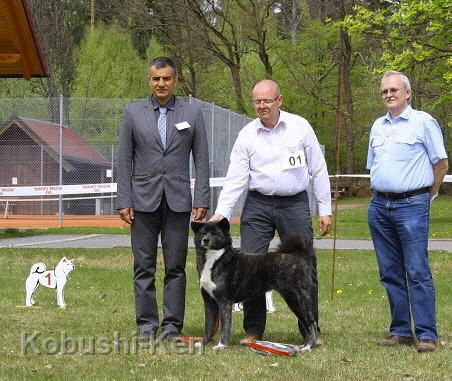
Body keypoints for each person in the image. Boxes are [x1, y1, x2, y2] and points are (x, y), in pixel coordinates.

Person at [210, 79, 332, 346]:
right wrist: (221, 214)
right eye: (257, 101)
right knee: (250, 267)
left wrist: (325, 209)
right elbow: (236, 178)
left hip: (295, 204)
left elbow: (318, 168)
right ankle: (253, 330)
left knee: (305, 266)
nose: (262, 106)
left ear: (280, 100)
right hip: (258, 205)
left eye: (267, 100)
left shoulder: (300, 128)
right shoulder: (247, 135)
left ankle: (311, 329)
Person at [117, 56, 210, 341]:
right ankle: (147, 326)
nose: (161, 83)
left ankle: (171, 327)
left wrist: (202, 198)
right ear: (150, 80)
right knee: (143, 266)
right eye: (156, 78)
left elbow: (203, 160)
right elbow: (124, 160)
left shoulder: (192, 114)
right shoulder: (133, 113)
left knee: (176, 267)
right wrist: (124, 200)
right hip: (142, 201)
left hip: (179, 201)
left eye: (166, 78)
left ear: (175, 80)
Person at [367, 70, 448, 353]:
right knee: (389, 271)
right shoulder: (378, 126)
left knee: (417, 271)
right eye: (385, 91)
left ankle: (427, 334)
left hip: (412, 206)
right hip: (379, 206)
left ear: (408, 93)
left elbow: (441, 164)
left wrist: (427, 196)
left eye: (394, 90)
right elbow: (373, 165)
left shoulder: (423, 122)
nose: (389, 95)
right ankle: (401, 331)